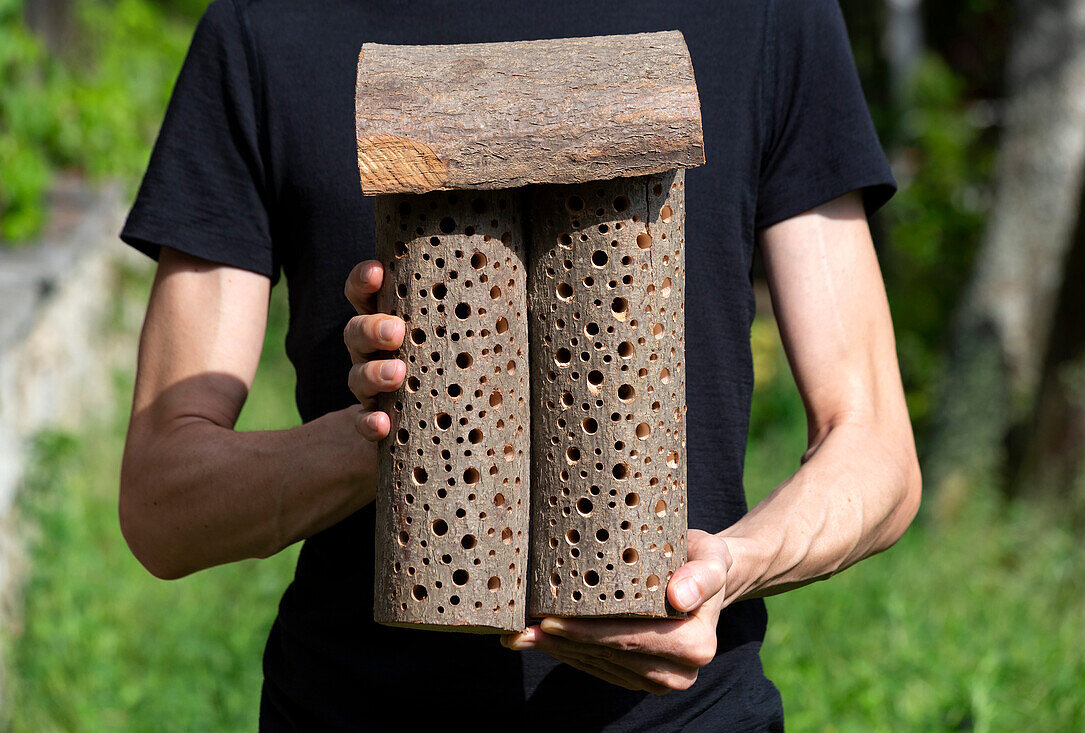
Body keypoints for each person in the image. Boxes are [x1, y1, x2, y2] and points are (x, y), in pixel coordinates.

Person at [118, 0, 921, 730]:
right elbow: (164, 501)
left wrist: (728, 570)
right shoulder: (267, 30)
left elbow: (875, 447)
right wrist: (396, 437)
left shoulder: (766, 16)